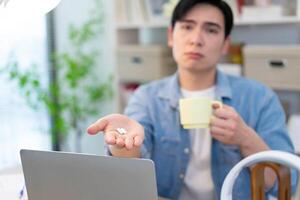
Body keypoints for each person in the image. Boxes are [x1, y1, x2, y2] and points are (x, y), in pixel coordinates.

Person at [87, 0, 298, 199]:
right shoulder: (147, 98)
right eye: (187, 27)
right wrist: (123, 143)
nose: (196, 39)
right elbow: (128, 171)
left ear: (226, 44)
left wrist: (245, 138)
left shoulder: (259, 98)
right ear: (171, 36)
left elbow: (285, 183)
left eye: (211, 30)